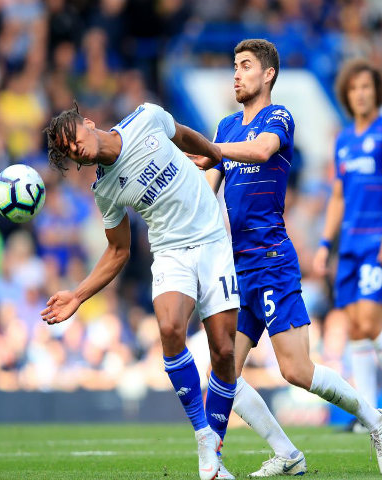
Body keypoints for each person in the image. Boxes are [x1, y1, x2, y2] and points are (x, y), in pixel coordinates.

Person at [191, 39, 382, 477]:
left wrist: (213, 151)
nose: (236, 73)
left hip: (271, 259)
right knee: (223, 372)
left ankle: (375, 418)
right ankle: (288, 454)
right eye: (234, 66)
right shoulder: (226, 126)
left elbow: (262, 150)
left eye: (245, 66)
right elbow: (206, 192)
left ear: (267, 74)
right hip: (236, 266)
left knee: (296, 370)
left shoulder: (277, 117)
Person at [41, 101, 239, 480]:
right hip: (170, 252)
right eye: (69, 152)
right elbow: (119, 250)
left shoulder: (146, 117)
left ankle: (215, 449)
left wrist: (214, 155)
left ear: (88, 122)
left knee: (224, 350)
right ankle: (202, 435)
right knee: (168, 329)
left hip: (213, 240)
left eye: (74, 139)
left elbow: (181, 134)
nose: (76, 149)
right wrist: (78, 295)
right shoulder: (105, 190)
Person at [312, 58, 382, 432]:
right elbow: (337, 197)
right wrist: (325, 243)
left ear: (377, 93)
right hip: (350, 244)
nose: (360, 93)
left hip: (377, 240)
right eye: (354, 88)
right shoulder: (343, 139)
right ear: (346, 94)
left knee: (371, 322)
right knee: (355, 328)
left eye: (366, 87)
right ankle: (369, 417)